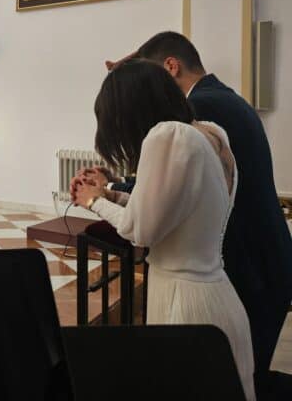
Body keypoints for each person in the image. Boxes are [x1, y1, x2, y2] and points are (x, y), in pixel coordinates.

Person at [72, 59, 256, 401]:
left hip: (183, 301)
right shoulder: (211, 132)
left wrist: (92, 201)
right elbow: (174, 209)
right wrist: (111, 193)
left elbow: (140, 230)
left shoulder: (166, 135)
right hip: (218, 294)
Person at [134, 32, 292, 400]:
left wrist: (112, 195)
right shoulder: (224, 98)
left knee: (229, 382)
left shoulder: (203, 108)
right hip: (266, 258)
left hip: (249, 266)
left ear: (171, 67)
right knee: (242, 375)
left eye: (154, 78)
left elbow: (182, 184)